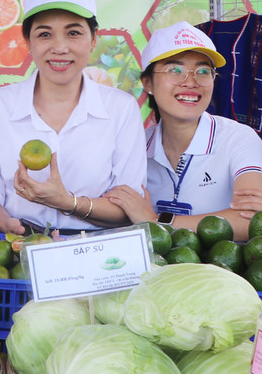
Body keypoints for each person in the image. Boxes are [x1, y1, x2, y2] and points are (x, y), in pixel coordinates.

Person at [0, 0, 147, 235]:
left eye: (73, 33)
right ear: (27, 41)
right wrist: (8, 225)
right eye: (45, 34)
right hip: (16, 246)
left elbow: (129, 206)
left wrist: (67, 203)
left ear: (94, 39)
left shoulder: (121, 108)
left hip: (96, 253)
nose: (60, 48)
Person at [104, 21, 262, 241]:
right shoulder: (135, 146)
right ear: (147, 83)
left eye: (203, 71)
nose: (190, 82)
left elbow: (252, 221)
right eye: (175, 70)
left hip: (223, 271)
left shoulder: (239, 138)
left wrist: (156, 220)